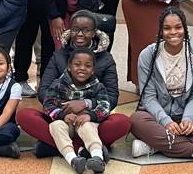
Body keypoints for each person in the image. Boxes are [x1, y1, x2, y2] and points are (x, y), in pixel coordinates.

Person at [21, 10, 132, 158]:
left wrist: (86, 105)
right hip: (62, 117)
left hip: (91, 118)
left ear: (94, 33)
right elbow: (43, 92)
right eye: (75, 29)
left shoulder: (105, 59)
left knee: (122, 122)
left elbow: (112, 97)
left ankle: (57, 146)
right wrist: (66, 108)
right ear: (70, 30)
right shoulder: (59, 56)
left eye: (86, 30)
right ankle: (85, 148)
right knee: (25, 116)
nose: (80, 34)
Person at [130, 7, 193, 165]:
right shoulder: (148, 55)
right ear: (161, 31)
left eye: (178, 27)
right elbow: (148, 97)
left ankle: (154, 145)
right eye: (167, 28)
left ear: (185, 28)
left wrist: (188, 119)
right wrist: (166, 122)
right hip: (157, 117)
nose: (173, 32)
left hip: (185, 118)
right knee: (136, 121)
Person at [43, 48, 110, 174]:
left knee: (87, 127)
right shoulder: (58, 84)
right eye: (77, 64)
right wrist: (62, 115)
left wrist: (90, 115)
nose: (82, 68)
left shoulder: (98, 86)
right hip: (66, 123)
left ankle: (97, 158)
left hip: (85, 122)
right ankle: (73, 159)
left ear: (93, 70)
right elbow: (47, 105)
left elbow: (105, 106)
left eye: (88, 65)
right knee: (55, 126)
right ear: (69, 66)